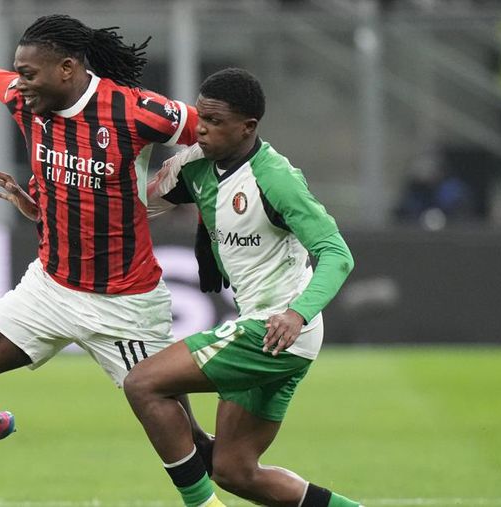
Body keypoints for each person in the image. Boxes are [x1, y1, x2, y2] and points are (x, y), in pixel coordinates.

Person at [0, 14, 216, 496]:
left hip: (126, 306)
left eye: (30, 73)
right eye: (19, 71)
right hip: (48, 290)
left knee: (198, 450)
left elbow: (216, 131)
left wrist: (190, 194)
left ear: (68, 69)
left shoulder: (136, 111)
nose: (20, 82)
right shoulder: (25, 99)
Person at [123, 68, 363, 507]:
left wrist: (297, 313)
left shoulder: (275, 179)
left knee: (142, 383)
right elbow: (131, 202)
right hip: (272, 331)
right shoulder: (195, 165)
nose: (201, 128)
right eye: (201, 117)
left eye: (214, 121)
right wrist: (43, 207)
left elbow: (336, 253)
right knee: (234, 471)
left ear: (248, 126)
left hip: (278, 328)